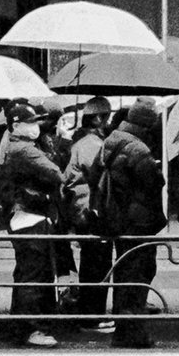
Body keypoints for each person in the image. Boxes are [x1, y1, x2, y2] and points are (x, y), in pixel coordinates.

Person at [94, 103, 167, 349]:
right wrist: (157, 169)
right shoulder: (138, 149)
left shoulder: (112, 139)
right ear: (147, 123)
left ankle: (123, 328)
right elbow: (154, 182)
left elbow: (95, 174)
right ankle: (132, 332)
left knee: (124, 273)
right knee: (137, 274)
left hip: (118, 217)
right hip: (138, 220)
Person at [0, 102, 66, 348]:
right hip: (30, 215)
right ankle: (32, 328)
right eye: (31, 122)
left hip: (25, 215)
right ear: (16, 126)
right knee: (35, 275)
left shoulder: (16, 145)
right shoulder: (23, 149)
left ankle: (21, 327)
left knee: (27, 273)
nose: (36, 126)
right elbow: (56, 173)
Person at [66, 99, 117, 326]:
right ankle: (92, 315)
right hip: (90, 210)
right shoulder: (92, 144)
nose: (109, 122)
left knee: (93, 262)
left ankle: (90, 313)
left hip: (83, 208)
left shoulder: (84, 141)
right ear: (97, 118)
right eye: (107, 117)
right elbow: (98, 177)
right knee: (96, 263)